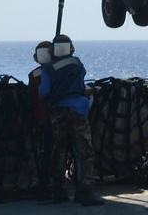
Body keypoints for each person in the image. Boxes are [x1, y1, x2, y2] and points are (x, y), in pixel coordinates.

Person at [37, 34, 103, 207]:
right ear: (71, 48)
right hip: (78, 111)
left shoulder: (48, 69)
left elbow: (43, 92)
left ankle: (59, 191)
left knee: (58, 151)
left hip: (58, 113)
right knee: (84, 152)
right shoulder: (77, 63)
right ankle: (85, 192)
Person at [27, 40, 54, 201]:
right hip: (57, 115)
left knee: (46, 152)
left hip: (42, 119)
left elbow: (31, 99)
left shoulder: (33, 75)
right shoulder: (57, 71)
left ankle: (43, 185)